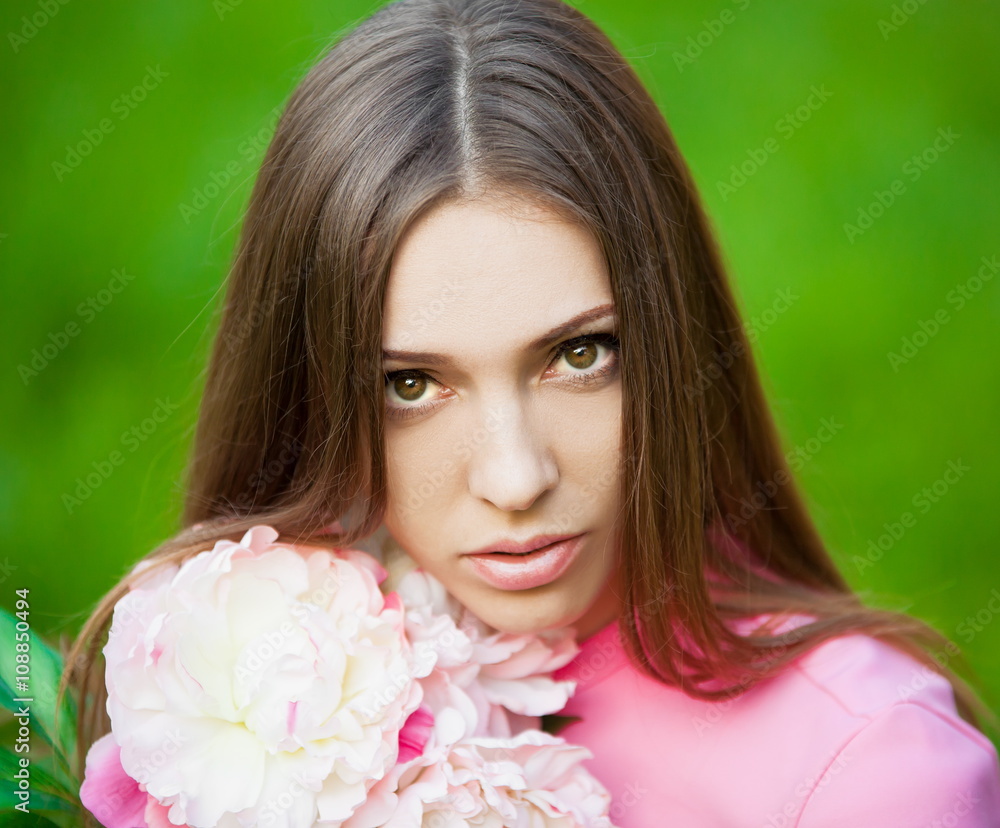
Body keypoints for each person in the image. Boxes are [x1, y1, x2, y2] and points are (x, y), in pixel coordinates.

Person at [65, 0, 1000, 824]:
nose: (516, 478)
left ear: (675, 343)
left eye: (578, 355)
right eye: (409, 384)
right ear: (304, 393)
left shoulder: (875, 770)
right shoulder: (222, 682)